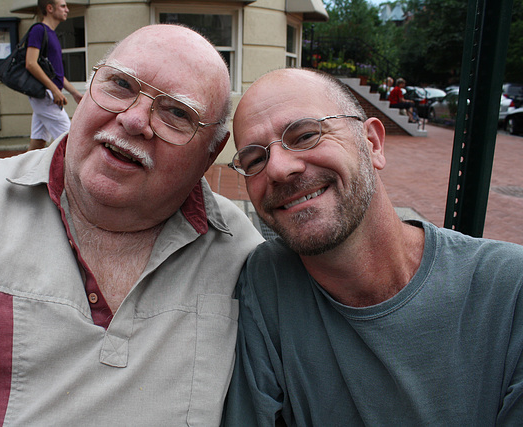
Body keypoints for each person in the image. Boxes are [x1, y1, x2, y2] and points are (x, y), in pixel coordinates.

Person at [0, 24, 264, 425]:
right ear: (89, 87)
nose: (134, 120)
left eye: (176, 113)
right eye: (120, 84)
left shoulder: (243, 258)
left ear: (212, 153)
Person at [223, 67, 523, 425]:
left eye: (305, 135)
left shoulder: (508, 291)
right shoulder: (265, 281)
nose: (278, 169)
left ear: (373, 143)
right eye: (255, 160)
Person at [25, 0, 83, 151]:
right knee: (70, 140)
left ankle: (23, 174)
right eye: (63, 6)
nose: (67, 10)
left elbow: (56, 74)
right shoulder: (38, 30)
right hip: (46, 95)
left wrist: (75, 93)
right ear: (50, 8)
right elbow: (31, 63)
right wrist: (55, 90)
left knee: (38, 143)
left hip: (47, 95)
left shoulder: (51, 34)